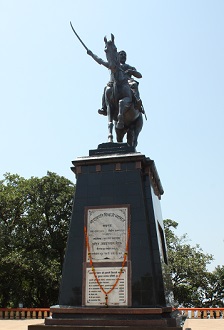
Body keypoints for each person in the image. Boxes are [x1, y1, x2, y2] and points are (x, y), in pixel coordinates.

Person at [98, 50, 143, 116]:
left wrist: (132, 72)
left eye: (125, 55)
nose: (123, 56)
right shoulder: (114, 66)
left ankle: (137, 102)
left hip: (127, 82)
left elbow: (139, 75)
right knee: (106, 88)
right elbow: (102, 61)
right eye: (121, 54)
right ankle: (104, 108)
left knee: (134, 84)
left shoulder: (129, 67)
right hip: (115, 83)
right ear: (117, 56)